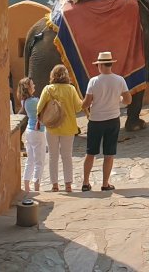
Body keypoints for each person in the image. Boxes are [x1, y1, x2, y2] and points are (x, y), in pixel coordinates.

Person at [81, 51, 132, 191]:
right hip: (113, 119)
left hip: (96, 120)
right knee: (109, 153)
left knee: (90, 153)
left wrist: (80, 104)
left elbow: (86, 103)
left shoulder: (93, 81)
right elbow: (128, 100)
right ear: (110, 64)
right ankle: (105, 183)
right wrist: (119, 101)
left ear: (101, 65)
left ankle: (85, 183)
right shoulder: (120, 80)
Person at [37, 65, 82, 192]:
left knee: (53, 156)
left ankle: (55, 185)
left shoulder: (48, 89)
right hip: (68, 127)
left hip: (51, 127)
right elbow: (78, 108)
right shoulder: (71, 89)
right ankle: (68, 184)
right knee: (67, 156)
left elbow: (39, 108)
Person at [17, 77, 46, 192]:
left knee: (30, 160)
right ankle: (36, 185)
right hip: (38, 131)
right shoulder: (35, 101)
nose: (34, 86)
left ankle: (27, 185)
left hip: (29, 131)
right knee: (40, 161)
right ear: (28, 88)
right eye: (32, 85)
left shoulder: (24, 101)